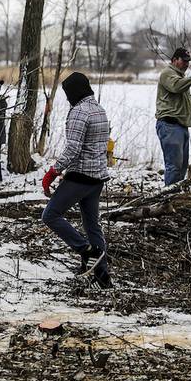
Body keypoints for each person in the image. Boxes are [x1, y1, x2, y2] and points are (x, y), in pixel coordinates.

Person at [40, 72, 112, 288]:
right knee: (92, 226)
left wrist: (52, 172)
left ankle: (85, 249)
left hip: (80, 178)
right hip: (97, 179)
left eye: (67, 93)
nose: (67, 97)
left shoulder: (79, 112)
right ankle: (103, 277)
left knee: (50, 214)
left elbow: (73, 148)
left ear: (74, 92)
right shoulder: (99, 110)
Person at [155, 47, 191, 186]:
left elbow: (187, 101)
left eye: (188, 62)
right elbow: (176, 87)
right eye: (184, 61)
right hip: (170, 126)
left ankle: (177, 198)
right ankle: (169, 199)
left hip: (180, 127)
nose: (186, 64)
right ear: (174, 60)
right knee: (174, 167)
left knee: (181, 168)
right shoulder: (167, 74)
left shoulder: (181, 78)